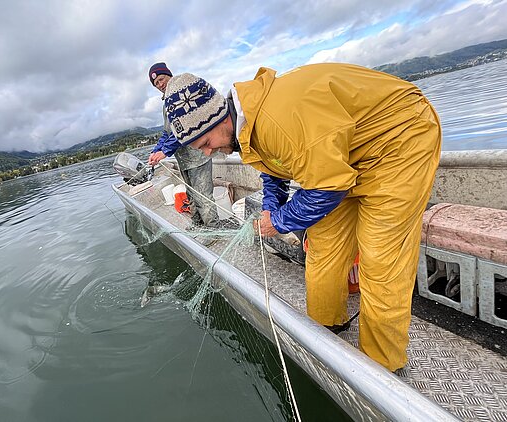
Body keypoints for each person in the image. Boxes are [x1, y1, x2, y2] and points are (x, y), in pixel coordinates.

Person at [162, 64, 441, 372]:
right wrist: (271, 207)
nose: (207, 153)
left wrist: (278, 222)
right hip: (343, 159)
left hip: (399, 140)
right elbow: (273, 171)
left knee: (380, 260)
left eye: (205, 144)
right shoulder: (243, 128)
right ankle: (325, 330)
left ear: (217, 118)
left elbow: (326, 188)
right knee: (323, 247)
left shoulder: (278, 120)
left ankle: (383, 367)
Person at [147, 62, 219, 229]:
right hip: (185, 160)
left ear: (170, 76)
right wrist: (156, 150)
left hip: (197, 157)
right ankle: (198, 225)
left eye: (162, 79)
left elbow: (184, 128)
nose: (160, 85)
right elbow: (168, 132)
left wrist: (165, 152)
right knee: (192, 196)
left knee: (203, 197)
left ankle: (214, 230)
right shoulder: (166, 103)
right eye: (156, 83)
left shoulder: (180, 94)